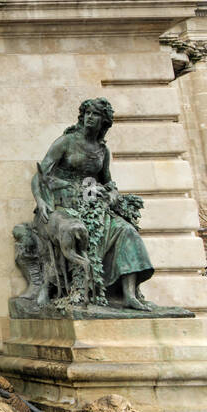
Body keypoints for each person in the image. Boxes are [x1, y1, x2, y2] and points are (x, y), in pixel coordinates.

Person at [30, 97, 156, 310]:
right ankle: (61, 287)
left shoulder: (102, 151)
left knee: (127, 231)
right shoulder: (66, 142)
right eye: (87, 113)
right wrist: (41, 201)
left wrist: (113, 192)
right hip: (61, 206)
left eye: (95, 114)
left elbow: (106, 180)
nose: (90, 117)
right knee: (75, 230)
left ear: (104, 121)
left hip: (91, 205)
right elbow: (40, 175)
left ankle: (129, 294)